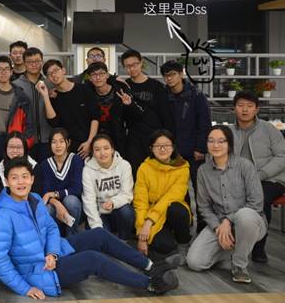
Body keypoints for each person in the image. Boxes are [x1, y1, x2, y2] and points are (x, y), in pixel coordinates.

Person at [0, 157, 179, 299]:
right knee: (92, 259)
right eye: (14, 178)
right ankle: (151, 284)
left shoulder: (35, 199)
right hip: (38, 272)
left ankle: (150, 266)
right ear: (7, 182)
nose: (20, 182)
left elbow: (52, 229)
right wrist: (25, 288)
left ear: (31, 179)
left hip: (51, 255)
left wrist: (52, 253)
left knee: (99, 235)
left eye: (24, 177)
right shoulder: (3, 216)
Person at [186, 125, 267, 284]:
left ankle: (239, 264)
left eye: (221, 141)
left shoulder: (245, 165)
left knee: (245, 216)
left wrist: (228, 220)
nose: (215, 145)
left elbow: (256, 203)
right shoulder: (203, 171)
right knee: (195, 262)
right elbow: (204, 207)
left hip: (251, 223)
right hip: (219, 224)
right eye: (211, 141)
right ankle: (232, 249)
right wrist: (218, 227)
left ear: (229, 144)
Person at [229, 90, 285, 263]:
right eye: (240, 105)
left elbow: (282, 155)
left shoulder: (268, 129)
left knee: (259, 197)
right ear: (234, 108)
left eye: (249, 106)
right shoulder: (228, 131)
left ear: (257, 109)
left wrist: (260, 174)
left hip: (270, 178)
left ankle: (259, 248)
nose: (245, 109)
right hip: (239, 180)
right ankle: (231, 242)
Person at [161, 60, 211, 229]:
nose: (169, 78)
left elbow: (204, 123)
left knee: (200, 188)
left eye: (172, 74)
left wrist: (201, 148)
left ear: (181, 74)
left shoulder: (196, 95)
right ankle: (185, 220)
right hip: (173, 151)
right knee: (178, 189)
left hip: (194, 150)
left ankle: (203, 222)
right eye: (166, 76)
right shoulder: (164, 95)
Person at [134, 129, 191, 263]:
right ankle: (167, 239)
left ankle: (183, 244)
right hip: (151, 213)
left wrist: (149, 222)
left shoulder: (182, 168)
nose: (163, 149)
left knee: (178, 210)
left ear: (173, 147)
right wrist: (141, 232)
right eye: (158, 146)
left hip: (169, 211)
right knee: (165, 246)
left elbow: (170, 198)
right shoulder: (144, 168)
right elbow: (140, 201)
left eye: (167, 145)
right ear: (151, 148)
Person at [121, 49, 174, 175]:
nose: (132, 68)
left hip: (154, 137)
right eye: (128, 66)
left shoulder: (156, 86)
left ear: (141, 63)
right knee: (136, 173)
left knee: (157, 173)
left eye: (134, 64)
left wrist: (168, 139)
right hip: (134, 138)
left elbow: (165, 114)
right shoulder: (124, 87)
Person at [39, 59, 99, 158]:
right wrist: (45, 96)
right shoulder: (53, 97)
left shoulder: (84, 89)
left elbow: (95, 117)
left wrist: (90, 142)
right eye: (49, 74)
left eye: (56, 70)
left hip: (89, 144)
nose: (53, 75)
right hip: (68, 149)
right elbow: (54, 123)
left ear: (63, 70)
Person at [82, 134, 135, 240]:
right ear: (93, 153)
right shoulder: (87, 170)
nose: (102, 153)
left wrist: (113, 202)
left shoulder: (124, 165)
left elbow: (127, 194)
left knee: (126, 211)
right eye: (97, 150)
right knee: (101, 240)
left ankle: (124, 240)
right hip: (99, 213)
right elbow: (89, 201)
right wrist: (97, 226)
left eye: (106, 148)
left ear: (112, 150)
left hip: (118, 209)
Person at [86, 62, 144, 159]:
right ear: (90, 78)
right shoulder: (87, 93)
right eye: (94, 75)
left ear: (107, 75)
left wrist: (129, 104)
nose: (98, 77)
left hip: (119, 139)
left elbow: (139, 115)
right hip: (97, 139)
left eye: (101, 74)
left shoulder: (120, 90)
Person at [40, 128, 84, 236]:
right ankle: (56, 237)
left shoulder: (76, 160)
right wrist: (57, 203)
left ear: (68, 143)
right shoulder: (45, 164)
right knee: (47, 208)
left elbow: (77, 189)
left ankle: (71, 236)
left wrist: (54, 194)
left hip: (74, 208)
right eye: (54, 142)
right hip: (55, 209)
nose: (58, 145)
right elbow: (45, 193)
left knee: (70, 201)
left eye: (61, 141)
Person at [13, 47, 52, 163]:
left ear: (42, 62)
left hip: (48, 140)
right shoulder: (15, 85)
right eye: (30, 62)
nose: (34, 65)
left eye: (37, 61)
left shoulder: (50, 83)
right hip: (26, 140)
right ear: (24, 63)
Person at [0, 132, 39, 198]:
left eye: (19, 147)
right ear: (6, 148)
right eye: (11, 147)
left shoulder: (34, 166)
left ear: (24, 149)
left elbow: (37, 193)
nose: (15, 151)